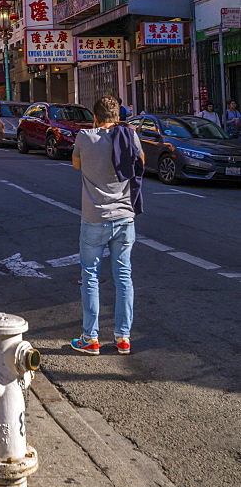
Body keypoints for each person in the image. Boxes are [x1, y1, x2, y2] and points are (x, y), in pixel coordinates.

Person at [70, 95, 144, 356]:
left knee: (90, 276)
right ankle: (123, 338)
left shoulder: (84, 138)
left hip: (94, 219)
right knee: (124, 277)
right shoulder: (129, 136)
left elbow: (76, 164)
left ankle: (90, 338)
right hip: (125, 218)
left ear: (95, 117)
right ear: (118, 116)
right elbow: (141, 162)